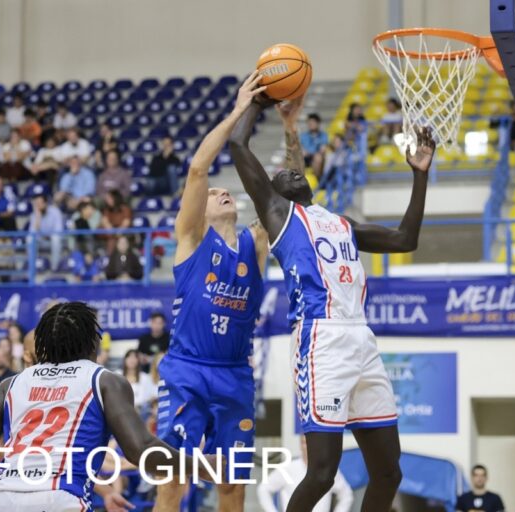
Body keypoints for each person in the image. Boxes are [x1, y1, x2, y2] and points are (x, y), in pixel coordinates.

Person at [228, 82, 435, 512]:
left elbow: (404, 238)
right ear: (274, 194)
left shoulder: (339, 222)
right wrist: (255, 102)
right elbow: (236, 143)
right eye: (283, 173)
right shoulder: (281, 217)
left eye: (294, 169)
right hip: (321, 341)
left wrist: (420, 174)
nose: (292, 170)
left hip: (361, 338)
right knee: (322, 473)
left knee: (388, 472)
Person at [0, 301, 218, 512]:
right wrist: (201, 465)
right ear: (93, 342)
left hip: (3, 497)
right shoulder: (104, 379)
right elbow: (141, 450)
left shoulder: (10, 384)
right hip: (60, 497)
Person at [154, 72, 269, 512]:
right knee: (173, 478)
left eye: (227, 191)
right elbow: (200, 167)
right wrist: (240, 110)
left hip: (234, 373)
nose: (221, 191)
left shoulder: (254, 243)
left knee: (232, 485)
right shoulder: (191, 241)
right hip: (187, 370)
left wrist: (291, 131)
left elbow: (286, 196)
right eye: (214, 192)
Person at [257, 436, 353, 512]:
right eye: (304, 442)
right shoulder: (288, 468)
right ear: (300, 445)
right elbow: (263, 489)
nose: (307, 446)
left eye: (310, 443)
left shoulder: (327, 470)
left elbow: (346, 495)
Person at [299, 113, 328, 177]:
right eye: (309, 123)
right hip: (305, 159)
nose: (310, 124)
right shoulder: (304, 136)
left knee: (318, 158)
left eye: (313, 122)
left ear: (318, 123)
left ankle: (317, 180)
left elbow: (322, 150)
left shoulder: (323, 135)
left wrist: (309, 152)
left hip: (316, 158)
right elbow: (301, 148)